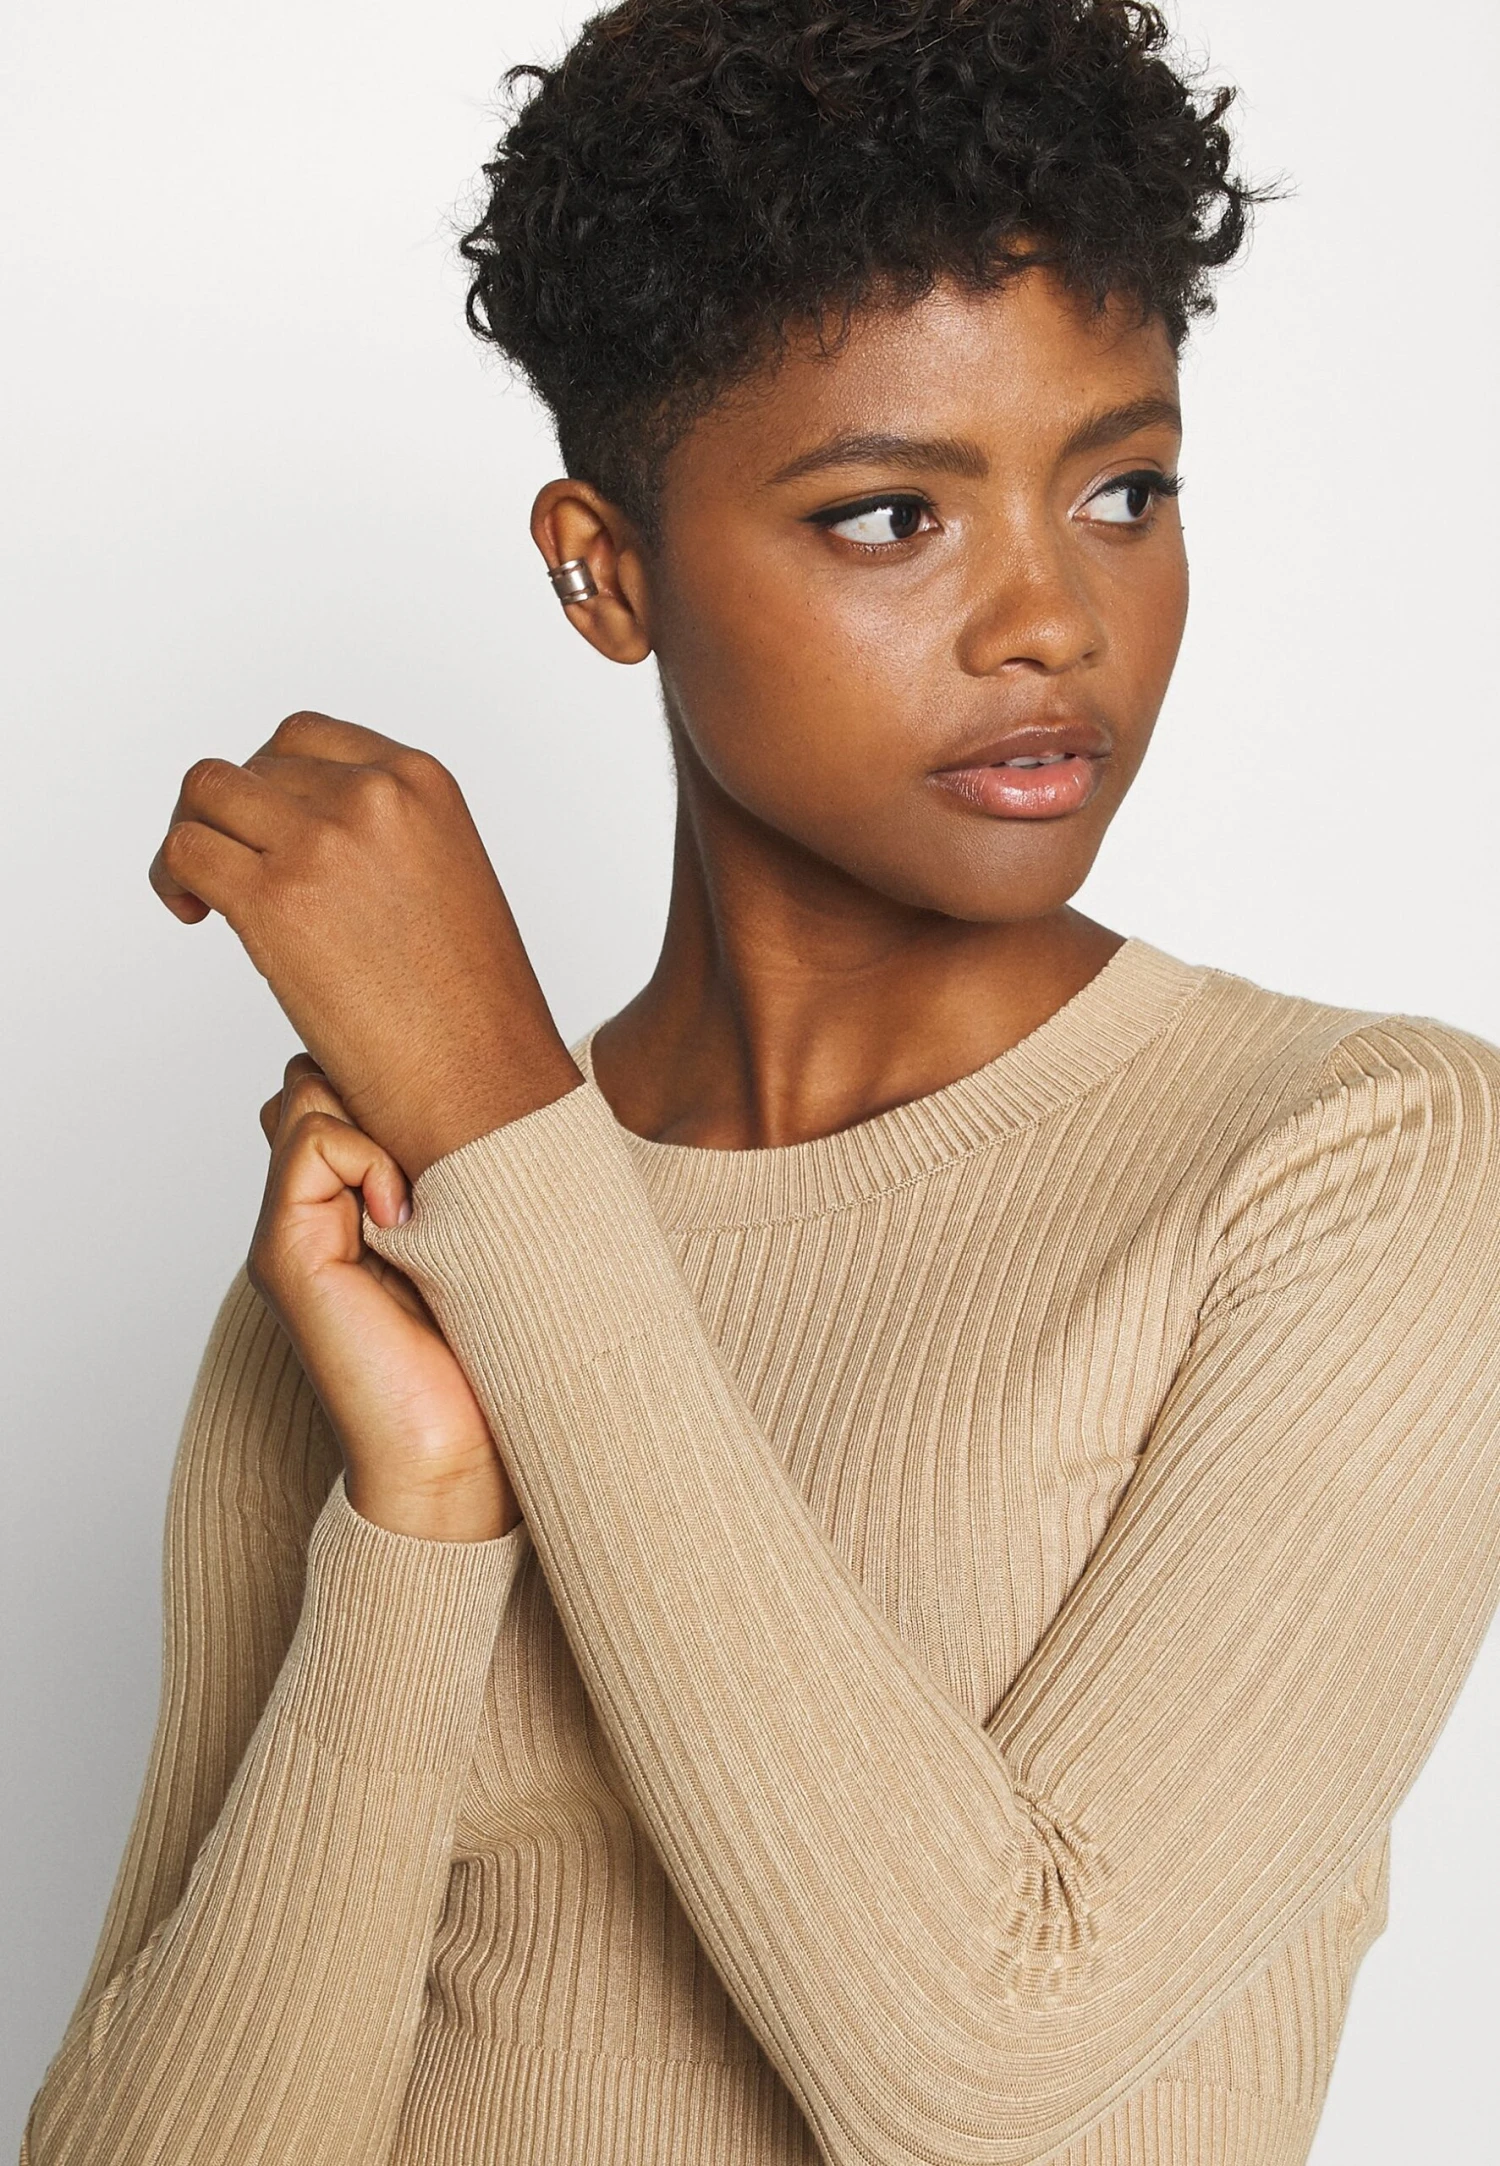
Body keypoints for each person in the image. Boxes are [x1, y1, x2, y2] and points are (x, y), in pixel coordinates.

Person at [22, 2, 1500, 2161]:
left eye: (1125, 490)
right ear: (604, 569)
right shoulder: (376, 1266)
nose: (1051, 619)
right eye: (892, 514)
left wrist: (509, 1144)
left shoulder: (1354, 1167)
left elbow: (985, 2077)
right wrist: (427, 1515)